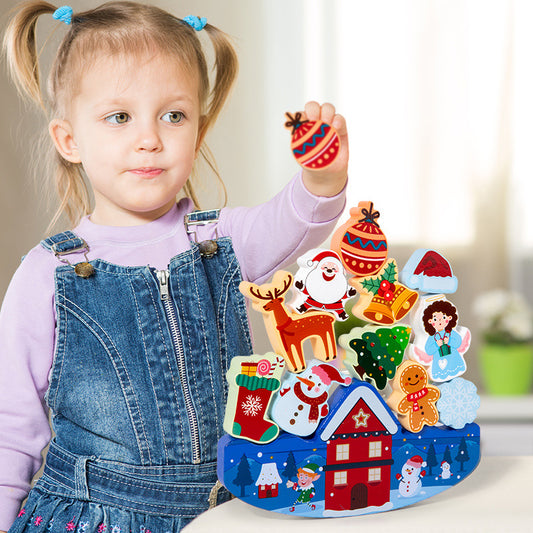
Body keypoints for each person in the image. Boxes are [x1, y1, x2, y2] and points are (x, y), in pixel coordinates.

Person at [0, 2, 349, 532]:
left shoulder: (221, 241)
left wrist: (321, 180)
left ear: (199, 131)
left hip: (229, 512)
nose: (150, 138)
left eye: (173, 115)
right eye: (119, 116)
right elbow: (11, 429)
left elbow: (295, 220)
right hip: (97, 518)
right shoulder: (47, 274)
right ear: (69, 140)